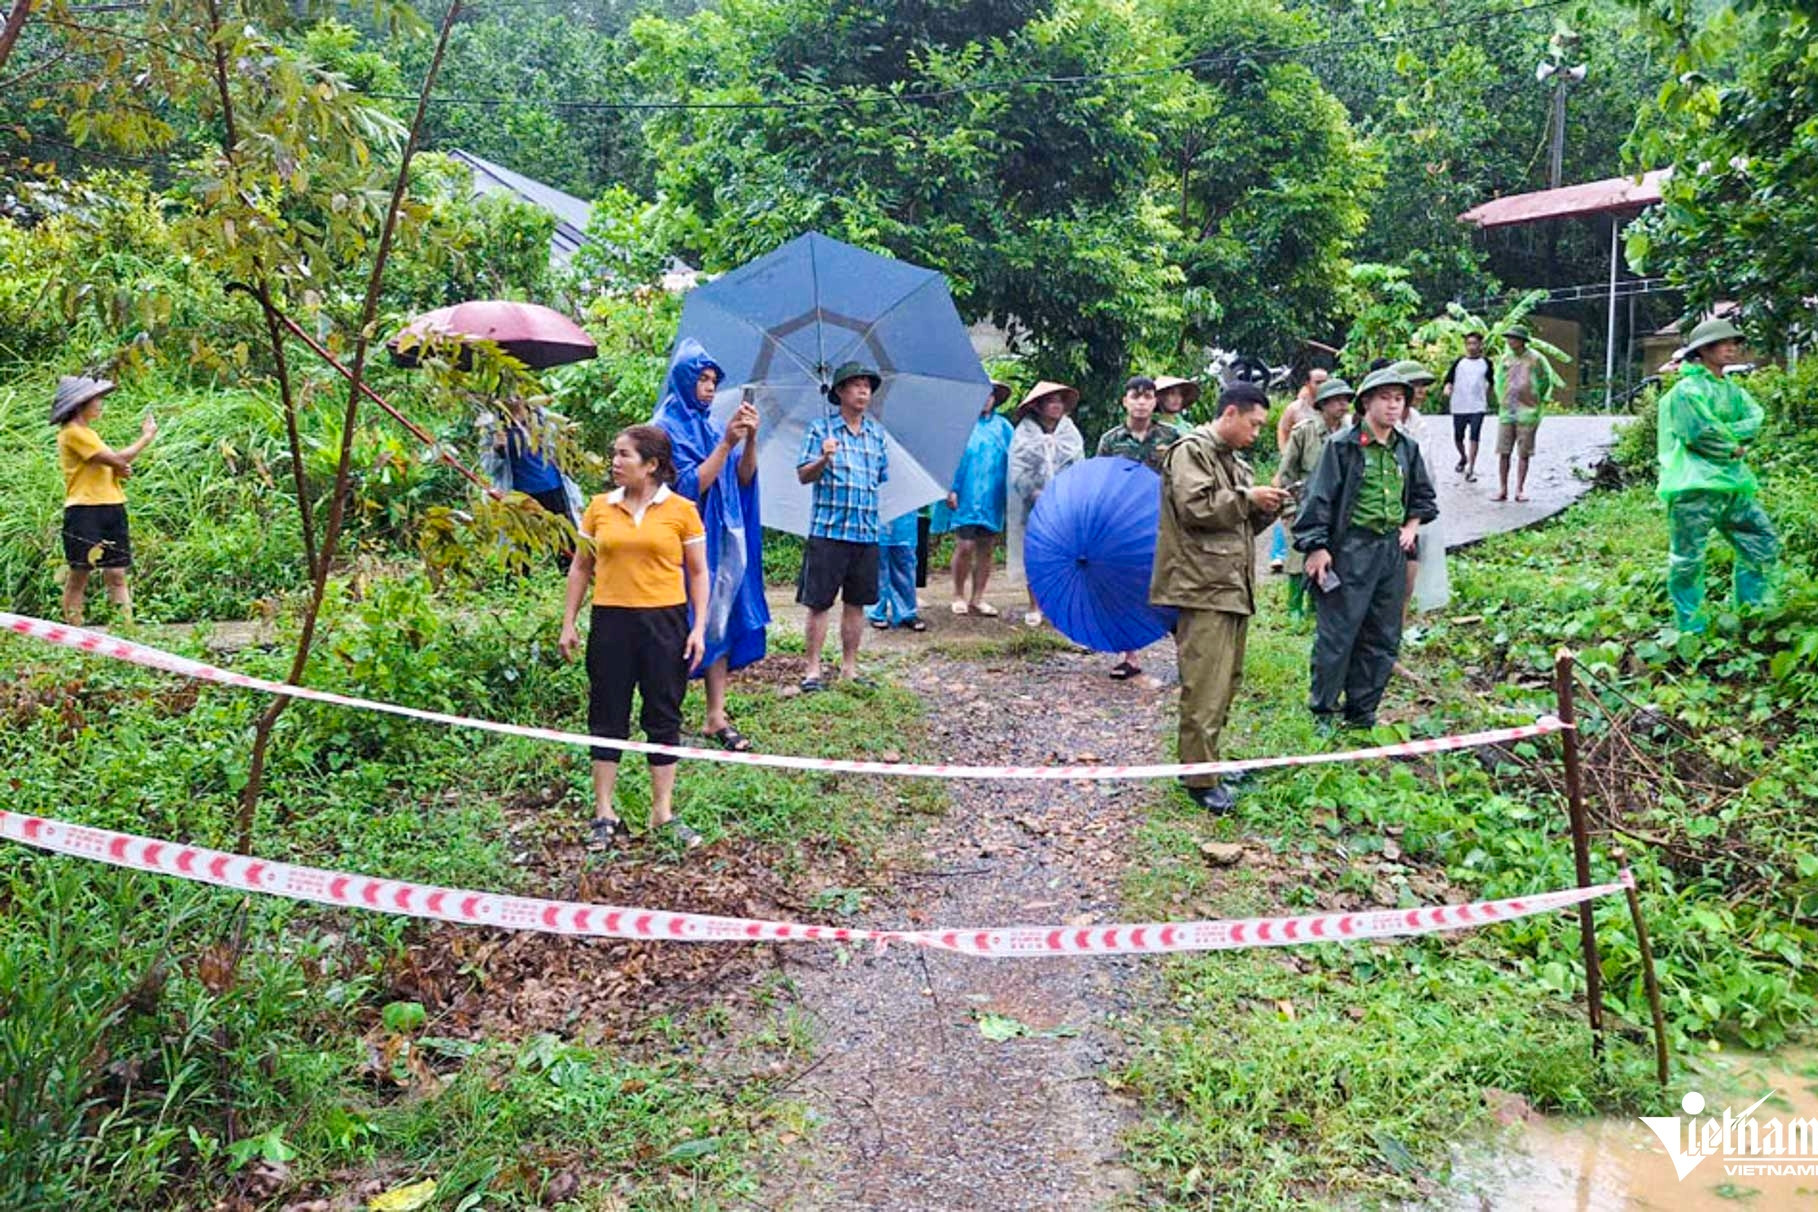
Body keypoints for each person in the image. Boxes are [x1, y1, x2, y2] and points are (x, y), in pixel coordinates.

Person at [558, 425, 709, 855]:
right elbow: (581, 568)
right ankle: (604, 812)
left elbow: (698, 572)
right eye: (614, 454)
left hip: (665, 623)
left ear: (652, 465)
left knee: (663, 712)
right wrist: (569, 622)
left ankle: (662, 812)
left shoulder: (682, 510)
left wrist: (698, 628)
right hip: (611, 623)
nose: (614, 462)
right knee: (607, 712)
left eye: (624, 455)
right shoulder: (599, 508)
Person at [1150, 383, 1289, 814]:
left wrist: (1268, 509)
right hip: (1201, 585)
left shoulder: (1237, 463)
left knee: (1226, 683)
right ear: (1230, 413)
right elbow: (1196, 508)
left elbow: (1240, 527)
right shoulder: (1191, 451)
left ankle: (1207, 763)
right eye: (1253, 424)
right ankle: (1198, 778)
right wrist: (1249, 499)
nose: (1256, 434)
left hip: (1232, 586)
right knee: (1204, 685)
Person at [1292, 366, 1438, 732]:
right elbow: (1318, 499)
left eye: (1399, 399)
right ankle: (1323, 710)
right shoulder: (1341, 447)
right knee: (1338, 633)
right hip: (1351, 548)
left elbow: (1423, 495)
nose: (1393, 406)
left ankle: (1362, 711)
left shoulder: (1407, 448)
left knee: (1383, 634)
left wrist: (1411, 525)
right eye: (1385, 398)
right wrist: (1317, 548)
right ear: (1367, 403)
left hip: (1391, 550)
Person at [652, 339, 769, 752]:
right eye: (701, 378)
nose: (709, 387)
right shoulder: (664, 427)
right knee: (679, 622)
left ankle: (715, 715)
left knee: (718, 616)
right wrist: (725, 445)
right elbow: (686, 488)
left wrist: (749, 440)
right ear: (683, 379)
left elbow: (743, 480)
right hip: (681, 543)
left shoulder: (710, 422)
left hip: (723, 540)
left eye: (714, 381)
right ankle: (668, 715)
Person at [1654, 317, 1780, 632]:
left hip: (1732, 485)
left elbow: (1756, 418)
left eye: (1734, 343)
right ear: (1704, 350)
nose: (1731, 348)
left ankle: (1752, 613)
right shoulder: (1686, 390)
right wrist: (1732, 444)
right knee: (1688, 559)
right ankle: (1690, 630)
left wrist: (1731, 438)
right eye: (1723, 343)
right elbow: (1698, 432)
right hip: (1694, 486)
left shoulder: (1730, 389)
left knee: (1761, 539)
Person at [796, 362, 889, 691]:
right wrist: (823, 459)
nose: (864, 391)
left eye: (868, 386)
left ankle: (850, 668)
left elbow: (879, 478)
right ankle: (812, 671)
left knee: (857, 602)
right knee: (819, 602)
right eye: (856, 385)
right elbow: (803, 475)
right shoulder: (821, 430)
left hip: (865, 532)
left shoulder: (876, 434)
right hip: (828, 532)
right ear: (839, 391)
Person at [52, 375, 157, 626]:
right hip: (84, 509)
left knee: (117, 573)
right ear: (80, 404)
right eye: (96, 399)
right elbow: (117, 459)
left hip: (111, 505)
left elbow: (108, 464)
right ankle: (76, 636)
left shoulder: (89, 433)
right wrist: (146, 437)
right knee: (80, 573)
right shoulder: (73, 433)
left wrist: (118, 468)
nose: (100, 403)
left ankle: (126, 633)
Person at [1097, 374, 1182, 678]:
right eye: (1136, 396)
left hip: (1164, 522)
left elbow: (1183, 478)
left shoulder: (1171, 438)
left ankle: (1186, 657)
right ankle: (1128, 655)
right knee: (1126, 586)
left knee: (1171, 585)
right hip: (1125, 525)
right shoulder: (1111, 440)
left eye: (1147, 396)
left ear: (1155, 401)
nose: (1142, 402)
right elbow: (1101, 482)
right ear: (1125, 401)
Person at [1007, 381, 1085, 627]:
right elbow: (1017, 469)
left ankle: (1059, 604)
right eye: (1051, 401)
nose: (1056, 406)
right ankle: (1034, 605)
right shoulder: (1025, 432)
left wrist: (1067, 492)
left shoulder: (1069, 432)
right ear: (1038, 406)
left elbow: (1078, 466)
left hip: (1064, 505)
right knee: (1035, 554)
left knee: (1064, 554)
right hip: (1033, 506)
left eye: (1059, 401)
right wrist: (1033, 491)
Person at [1275, 378, 1353, 621]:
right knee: (1298, 558)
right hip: (1305, 502)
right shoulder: (1304, 431)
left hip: (1337, 505)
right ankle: (1294, 606)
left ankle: (1315, 606)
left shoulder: (1350, 432)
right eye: (1337, 400)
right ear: (1324, 404)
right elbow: (1287, 472)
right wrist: (1289, 507)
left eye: (1346, 400)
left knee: (1330, 555)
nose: (1343, 405)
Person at [933, 382, 1013, 616]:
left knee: (986, 547)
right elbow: (947, 459)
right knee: (965, 544)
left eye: (990, 396)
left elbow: (1015, 460)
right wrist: (949, 488)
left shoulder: (1004, 428)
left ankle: (978, 597)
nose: (986, 399)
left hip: (992, 496)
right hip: (965, 495)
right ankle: (958, 594)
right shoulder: (960, 425)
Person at [476, 397, 587, 567]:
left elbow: (566, 453)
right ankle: (518, 585)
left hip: (552, 488)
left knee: (564, 541)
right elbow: (488, 467)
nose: (513, 396)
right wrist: (497, 449)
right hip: (517, 495)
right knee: (517, 544)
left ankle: (573, 582)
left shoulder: (544, 418)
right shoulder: (493, 427)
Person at [1391, 359, 1451, 621]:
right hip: (1387, 509)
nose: (1422, 391)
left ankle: (1396, 639)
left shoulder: (1417, 422)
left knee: (1408, 579)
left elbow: (1425, 469)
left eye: (1424, 386)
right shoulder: (1383, 424)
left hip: (1412, 509)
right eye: (1417, 386)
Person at [1268, 368, 1331, 573]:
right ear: (1307, 383)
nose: (1322, 386)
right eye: (1318, 382)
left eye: (1325, 381)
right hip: (1298, 469)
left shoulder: (1331, 410)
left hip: (1322, 478)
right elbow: (1283, 429)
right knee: (1289, 514)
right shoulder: (1296, 409)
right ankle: (1278, 556)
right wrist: (1285, 452)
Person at [1493, 326, 1562, 503]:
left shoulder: (1536, 359)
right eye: (1509, 338)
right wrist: (1502, 399)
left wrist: (1537, 398)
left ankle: (1520, 489)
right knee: (1503, 451)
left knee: (1524, 452)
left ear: (1522, 340)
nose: (1510, 341)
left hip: (1528, 412)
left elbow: (1545, 379)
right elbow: (1499, 380)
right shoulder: (1505, 358)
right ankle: (1502, 488)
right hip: (1507, 412)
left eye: (1514, 338)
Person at [1442, 330, 1495, 482]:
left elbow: (1492, 381)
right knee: (1458, 437)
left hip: (1478, 406)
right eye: (1469, 344)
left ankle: (1471, 468)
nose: (1472, 347)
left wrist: (1487, 395)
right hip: (1459, 405)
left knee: (1474, 436)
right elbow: (1448, 380)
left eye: (1475, 343)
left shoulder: (1486, 363)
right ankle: (1463, 457)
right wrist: (1448, 388)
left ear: (1480, 345)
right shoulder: (1459, 362)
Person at [867, 509, 926, 631]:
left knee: (905, 562)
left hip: (905, 514)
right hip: (877, 511)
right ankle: (876, 610)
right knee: (877, 563)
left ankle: (907, 612)